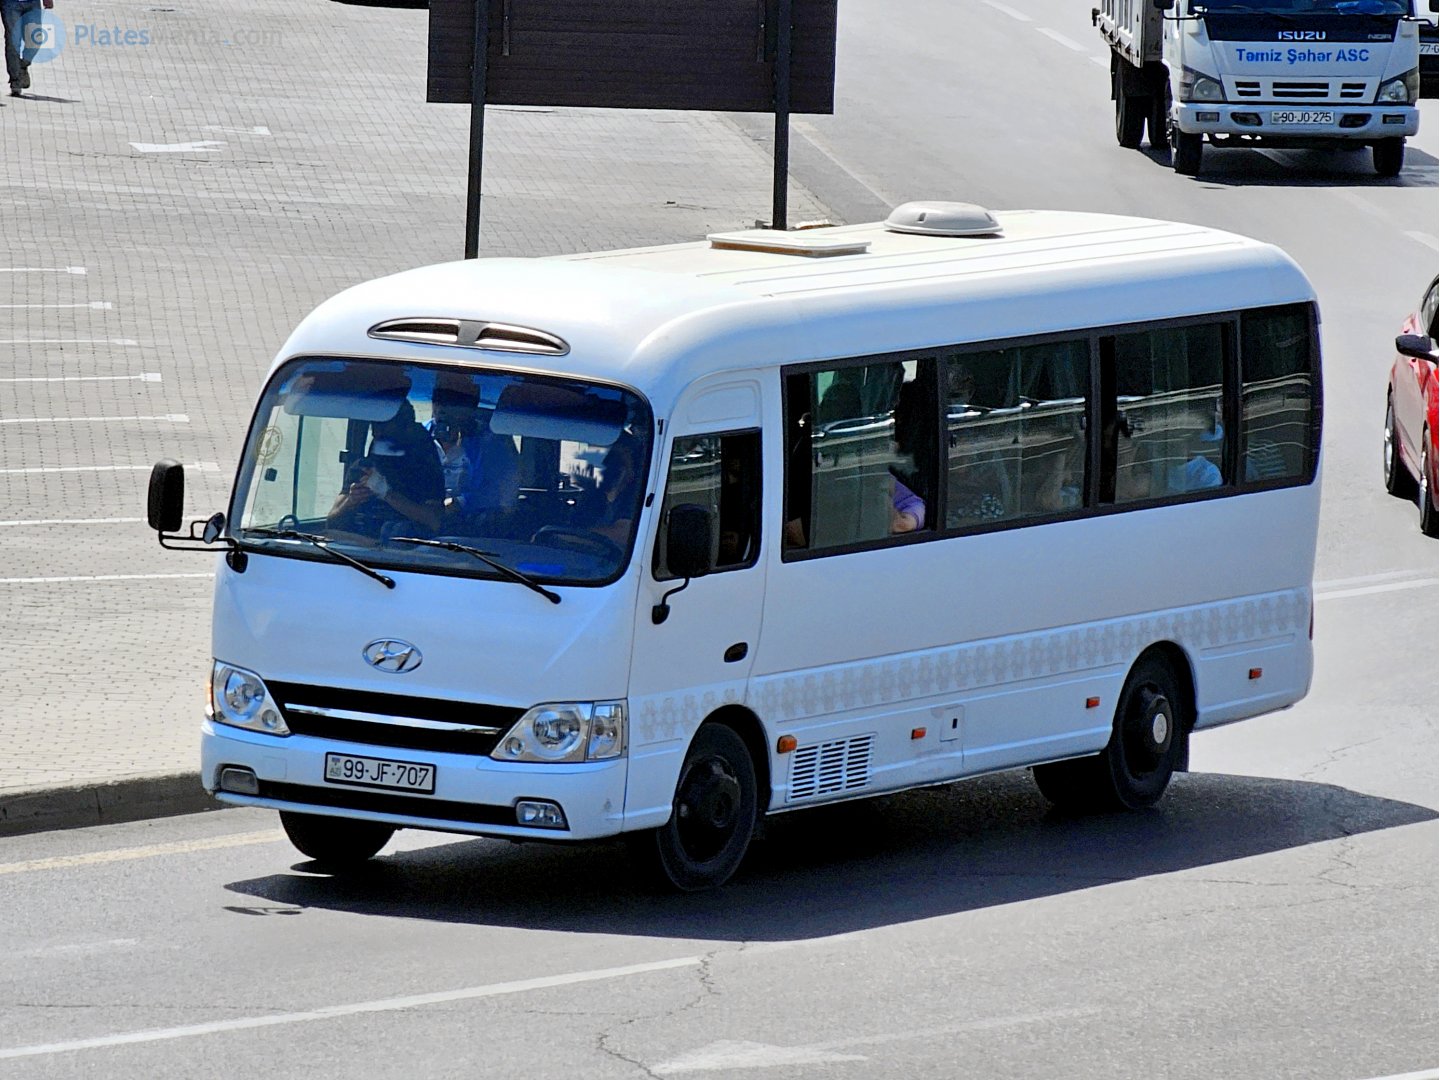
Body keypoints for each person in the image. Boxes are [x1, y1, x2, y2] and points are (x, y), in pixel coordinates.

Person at [327, 399, 445, 539]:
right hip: (355, 549)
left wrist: (387, 493)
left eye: (385, 425)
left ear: (406, 428)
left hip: (402, 551)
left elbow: (434, 521)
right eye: (375, 425)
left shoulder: (425, 471)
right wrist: (351, 501)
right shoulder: (362, 468)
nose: (377, 432)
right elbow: (332, 522)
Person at [426, 375, 520, 529]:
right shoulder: (417, 436)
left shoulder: (493, 444)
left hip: (472, 530)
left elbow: (501, 493)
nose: (442, 408)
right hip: (417, 523)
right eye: (438, 398)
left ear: (470, 407)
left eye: (453, 401)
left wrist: (458, 504)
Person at [2, 0, 49, 97]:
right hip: (10, 4)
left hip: (32, 3)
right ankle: (15, 81)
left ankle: (22, 66)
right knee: (13, 41)